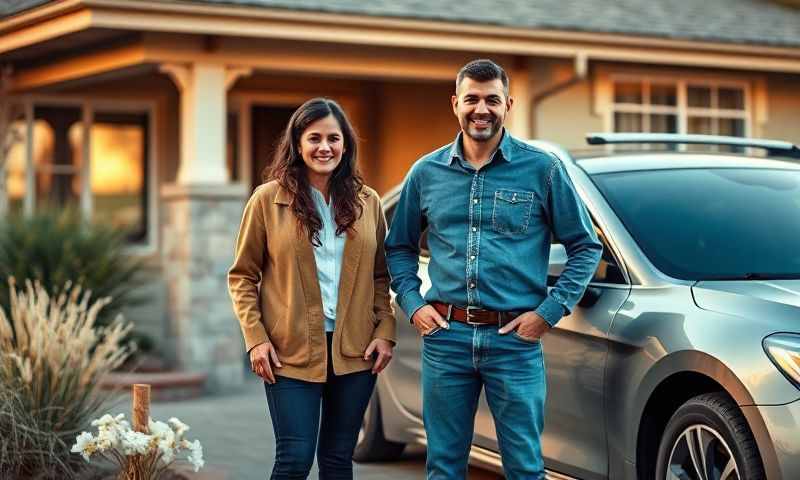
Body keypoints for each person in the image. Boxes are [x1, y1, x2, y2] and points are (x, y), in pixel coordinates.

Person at [385, 59, 602, 479]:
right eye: (471, 99)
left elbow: (585, 247)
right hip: (446, 339)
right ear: (455, 104)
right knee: (444, 466)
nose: (480, 109)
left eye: (491, 100)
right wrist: (412, 304)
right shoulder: (426, 173)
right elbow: (398, 246)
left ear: (508, 104)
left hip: (514, 344)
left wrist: (548, 313)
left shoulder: (543, 169)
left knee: (523, 467)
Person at [228, 97, 395, 480]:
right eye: (314, 138)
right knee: (294, 459)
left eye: (333, 139)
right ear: (298, 144)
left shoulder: (367, 202)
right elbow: (242, 276)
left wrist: (385, 332)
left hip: (355, 353)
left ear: (346, 145)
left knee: (338, 461)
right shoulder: (267, 200)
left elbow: (380, 277)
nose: (325, 147)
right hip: (289, 353)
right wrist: (256, 339)